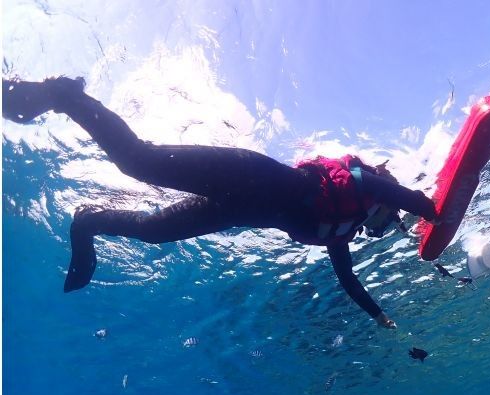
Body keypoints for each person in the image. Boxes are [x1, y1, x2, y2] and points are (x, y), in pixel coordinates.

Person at [2, 76, 441, 328]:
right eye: (388, 222)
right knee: (139, 162)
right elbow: (391, 192)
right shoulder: (362, 184)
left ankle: (89, 222)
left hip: (234, 211)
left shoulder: (340, 230)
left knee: (156, 233)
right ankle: (67, 96)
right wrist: (429, 208)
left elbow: (348, 281)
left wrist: (379, 315)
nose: (379, 227)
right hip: (246, 172)